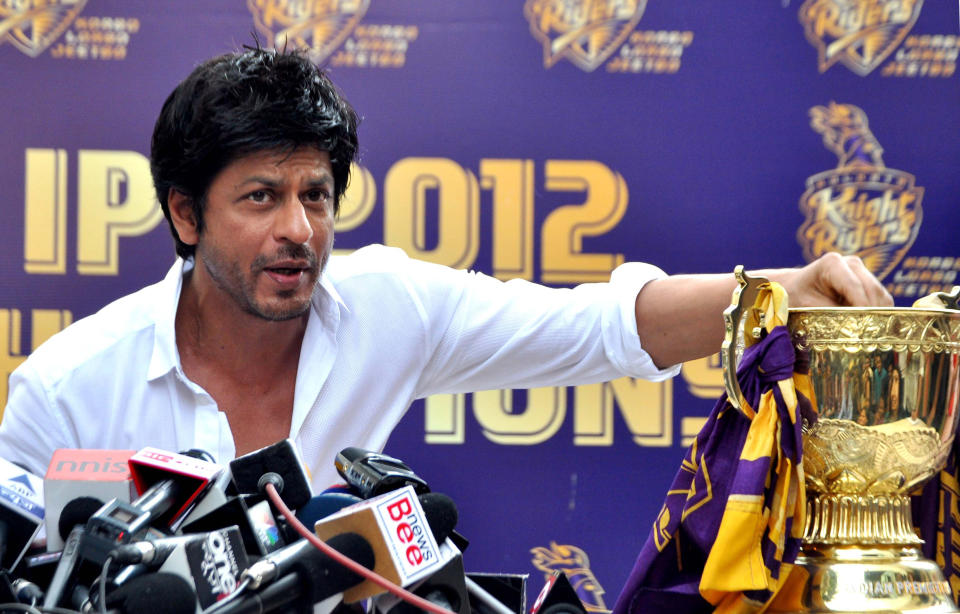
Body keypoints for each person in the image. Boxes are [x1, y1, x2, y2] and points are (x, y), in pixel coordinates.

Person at [0, 47, 892, 489]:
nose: (299, 229)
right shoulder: (66, 390)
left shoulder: (387, 306)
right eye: (261, 197)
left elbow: (597, 328)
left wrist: (778, 294)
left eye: (317, 195)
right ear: (185, 215)